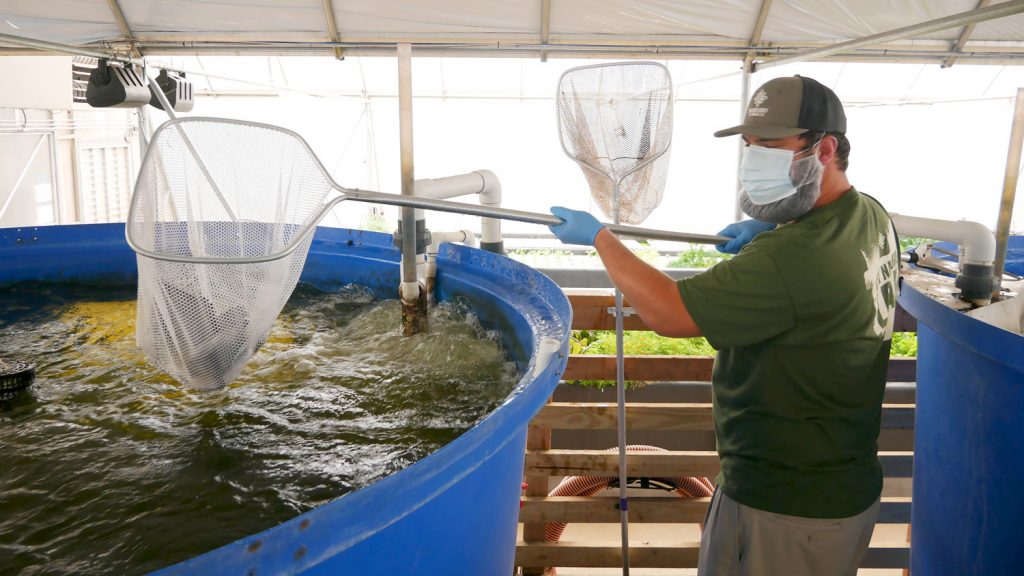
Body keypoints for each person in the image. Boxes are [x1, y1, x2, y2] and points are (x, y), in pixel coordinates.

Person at [548, 75, 900, 576]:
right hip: (838, 481)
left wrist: (601, 240)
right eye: (749, 144)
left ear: (824, 149)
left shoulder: (794, 256)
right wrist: (773, 228)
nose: (753, 157)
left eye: (771, 146)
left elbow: (668, 312)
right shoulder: (869, 214)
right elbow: (819, 265)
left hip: (785, 503)